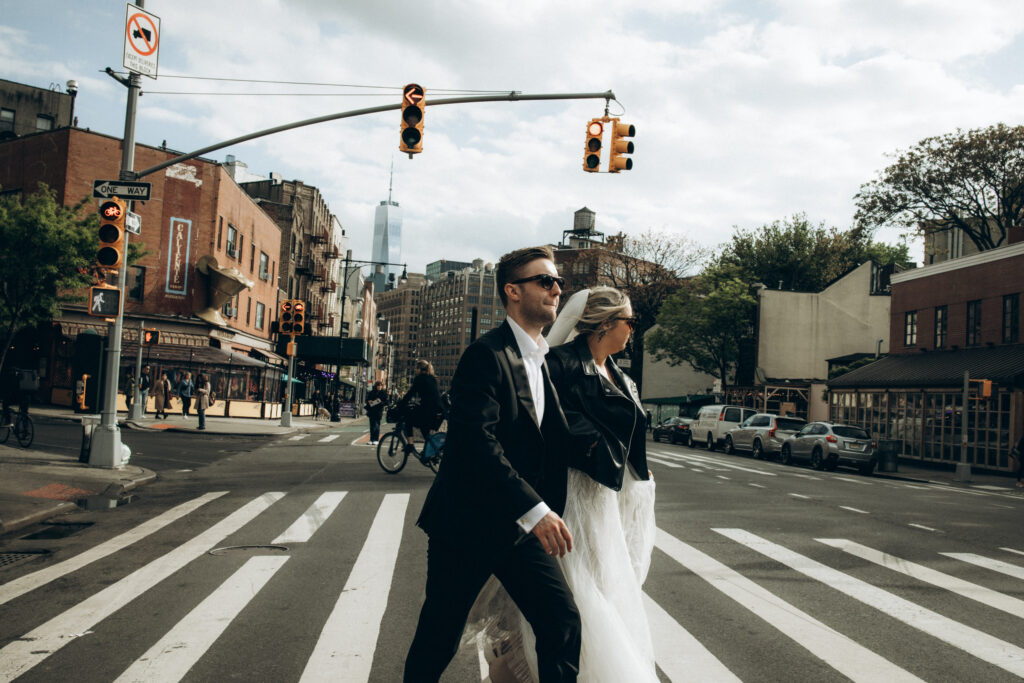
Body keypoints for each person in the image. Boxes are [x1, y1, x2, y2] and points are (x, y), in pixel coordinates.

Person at [404, 245, 581, 682]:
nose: (557, 289)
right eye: (545, 281)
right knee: (440, 635)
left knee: (561, 620)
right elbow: (476, 442)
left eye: (558, 281)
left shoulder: (541, 361)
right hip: (467, 525)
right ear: (512, 292)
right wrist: (536, 510)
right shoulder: (486, 355)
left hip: (516, 529)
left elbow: (553, 441)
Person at [398, 360, 444, 455]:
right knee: (424, 430)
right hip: (438, 410)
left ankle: (410, 444)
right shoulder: (432, 378)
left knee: (408, 418)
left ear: (419, 369)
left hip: (428, 409)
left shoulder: (420, 379)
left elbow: (411, 393)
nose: (416, 370)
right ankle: (427, 454)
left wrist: (401, 404)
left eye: (416, 368)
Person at [365, 381, 387, 445]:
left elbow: (386, 402)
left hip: (378, 411)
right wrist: (369, 401)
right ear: (376, 386)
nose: (379, 387)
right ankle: (371, 439)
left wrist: (380, 401)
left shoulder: (383, 393)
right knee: (372, 426)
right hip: (371, 411)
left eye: (380, 386)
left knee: (377, 425)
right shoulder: (372, 392)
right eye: (378, 385)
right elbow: (368, 400)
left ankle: (376, 439)